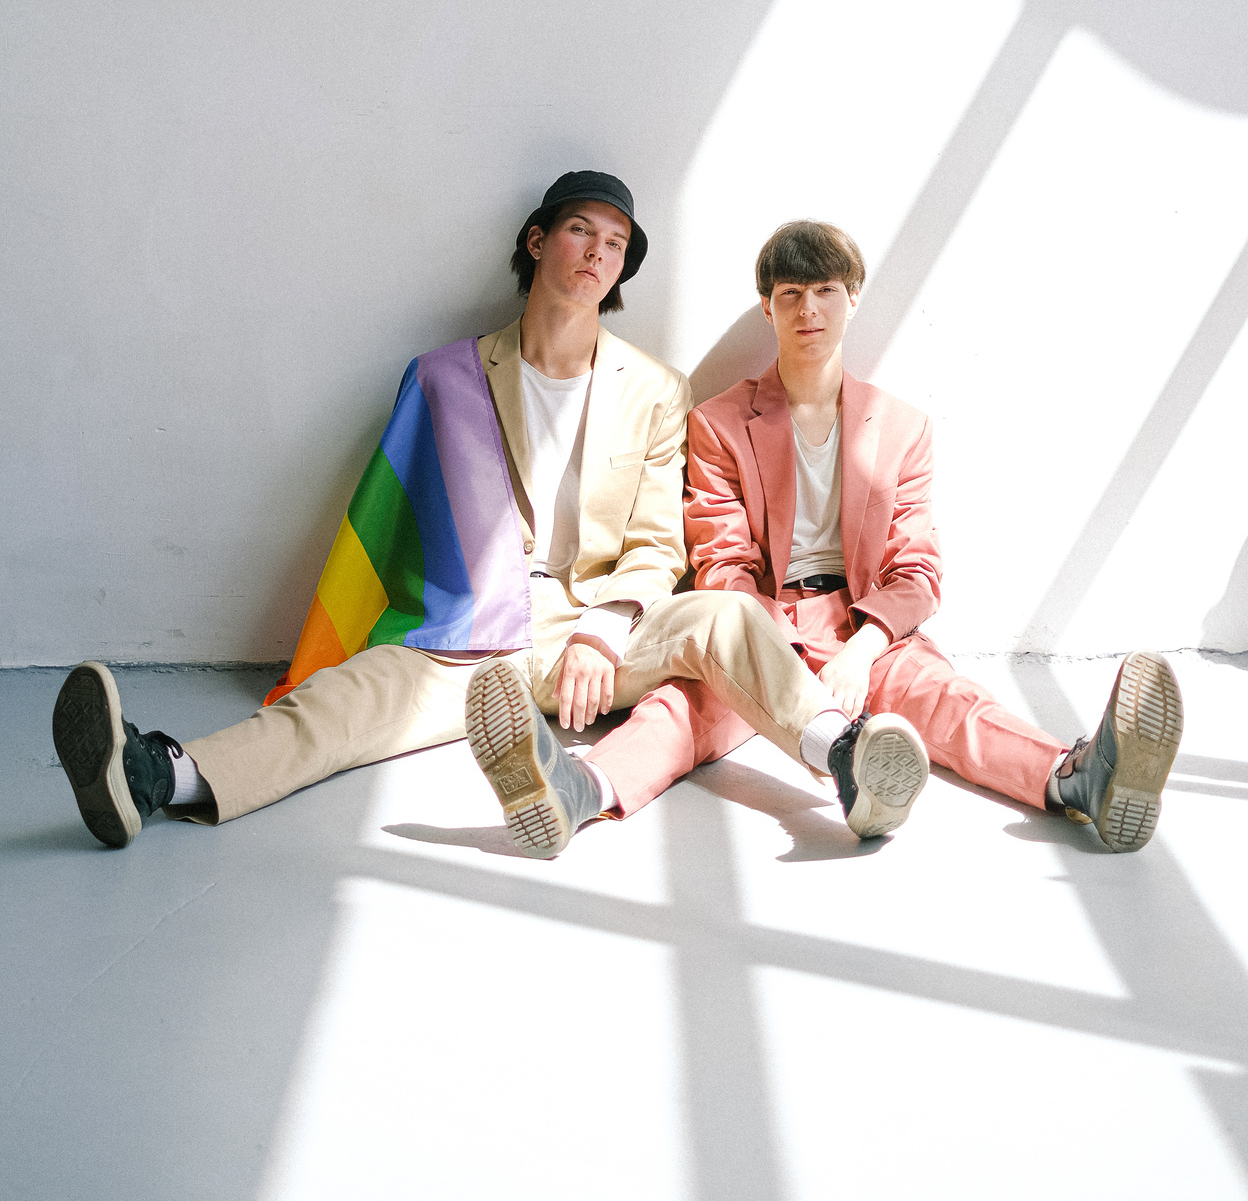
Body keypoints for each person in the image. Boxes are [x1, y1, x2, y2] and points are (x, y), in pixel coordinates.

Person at [53, 175, 925, 853]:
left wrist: (605, 632)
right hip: (465, 630)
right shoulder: (446, 376)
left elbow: (660, 547)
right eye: (581, 228)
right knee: (337, 705)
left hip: (594, 629)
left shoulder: (656, 392)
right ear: (538, 241)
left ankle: (844, 757)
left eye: (616, 242)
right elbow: (388, 520)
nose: (597, 251)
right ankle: (161, 775)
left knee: (729, 614)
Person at [468, 219, 1184, 858]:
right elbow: (722, 561)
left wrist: (863, 649)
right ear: (767, 306)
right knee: (681, 713)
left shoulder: (903, 428)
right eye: (789, 294)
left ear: (852, 298)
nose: (807, 309)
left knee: (947, 700)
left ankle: (1080, 779)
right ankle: (574, 791)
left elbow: (917, 569)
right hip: (759, 622)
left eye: (824, 290)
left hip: (862, 622)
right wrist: (776, 650)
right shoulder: (718, 422)